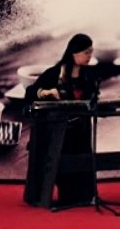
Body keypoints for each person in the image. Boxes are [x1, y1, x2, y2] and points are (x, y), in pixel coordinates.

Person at [25, 33, 97, 206]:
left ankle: (83, 197)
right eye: (86, 52)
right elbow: (30, 92)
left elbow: (93, 98)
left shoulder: (89, 75)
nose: (90, 56)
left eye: (91, 52)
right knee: (62, 161)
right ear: (74, 52)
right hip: (59, 130)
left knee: (82, 161)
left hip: (81, 128)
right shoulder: (55, 73)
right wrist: (45, 92)